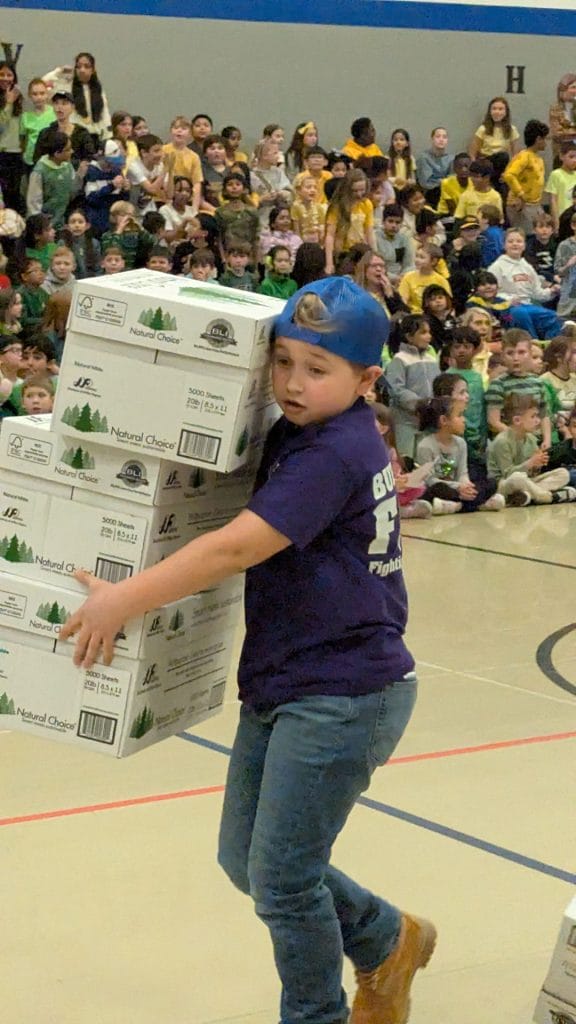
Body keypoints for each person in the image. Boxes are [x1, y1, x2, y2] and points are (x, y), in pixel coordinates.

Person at [61, 274, 436, 1024]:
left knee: (285, 880)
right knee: (251, 865)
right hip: (285, 680)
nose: (292, 383)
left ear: (367, 381)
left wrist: (122, 599)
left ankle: (316, 1015)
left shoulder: (333, 451)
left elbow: (235, 548)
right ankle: (388, 938)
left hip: (344, 693)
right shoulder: (302, 431)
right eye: (283, 362)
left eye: (316, 370)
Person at [416, 396, 502, 512]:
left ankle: (455, 506)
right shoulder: (425, 445)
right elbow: (429, 480)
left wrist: (466, 486)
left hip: (458, 490)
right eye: (460, 415)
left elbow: (463, 473)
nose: (464, 420)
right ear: (444, 420)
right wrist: (458, 487)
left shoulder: (460, 443)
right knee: (436, 489)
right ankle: (474, 504)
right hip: (445, 489)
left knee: (491, 483)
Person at [487, 393, 573, 504]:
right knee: (518, 478)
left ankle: (527, 496)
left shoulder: (531, 439)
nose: (537, 421)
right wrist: (530, 463)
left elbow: (532, 474)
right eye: (533, 417)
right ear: (517, 420)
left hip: (527, 482)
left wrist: (537, 465)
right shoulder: (502, 441)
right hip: (503, 485)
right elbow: (507, 475)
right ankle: (549, 497)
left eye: (537, 416)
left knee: (563, 473)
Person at [489, 229, 562, 339]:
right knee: (520, 314)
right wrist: (508, 300)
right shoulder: (496, 267)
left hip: (528, 306)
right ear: (504, 245)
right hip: (506, 313)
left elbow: (537, 294)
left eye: (519, 241)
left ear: (524, 246)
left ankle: (548, 346)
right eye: (510, 241)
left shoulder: (527, 267)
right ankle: (532, 344)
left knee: (555, 317)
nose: (515, 244)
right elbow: (490, 294)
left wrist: (552, 291)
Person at [385, 313, 439, 459]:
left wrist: (434, 406)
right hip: (406, 422)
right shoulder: (399, 359)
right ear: (409, 336)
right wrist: (418, 404)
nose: (429, 336)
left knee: (426, 459)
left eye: (429, 332)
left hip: (428, 421)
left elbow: (437, 385)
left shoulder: (431, 358)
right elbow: (395, 388)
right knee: (407, 459)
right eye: (423, 332)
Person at [485, 330, 552, 446]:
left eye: (521, 352)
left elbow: (544, 415)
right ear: (502, 356)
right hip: (509, 444)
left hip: (535, 442)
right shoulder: (498, 384)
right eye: (510, 353)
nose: (516, 358)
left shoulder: (537, 382)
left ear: (530, 354)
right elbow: (493, 421)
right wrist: (519, 437)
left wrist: (547, 440)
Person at [372, 402, 432, 519]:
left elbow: (393, 474)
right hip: (375, 494)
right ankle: (405, 510)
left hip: (386, 489)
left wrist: (401, 480)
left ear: (383, 429)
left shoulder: (388, 451)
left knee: (418, 487)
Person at [42, 53, 111, 144]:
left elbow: (105, 115)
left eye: (86, 66)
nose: (82, 70)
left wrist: (108, 138)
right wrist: (59, 71)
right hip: (74, 138)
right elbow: (42, 85)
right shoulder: (66, 86)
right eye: (79, 66)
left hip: (95, 137)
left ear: (93, 70)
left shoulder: (98, 89)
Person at [26, 132, 86, 229]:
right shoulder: (39, 171)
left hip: (61, 222)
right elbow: (34, 204)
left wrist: (79, 176)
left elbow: (72, 192)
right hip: (44, 225)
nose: (72, 151)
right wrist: (42, 227)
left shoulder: (67, 166)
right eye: (68, 149)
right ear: (57, 153)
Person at [446, 328, 488, 464]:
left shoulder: (477, 376)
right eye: (457, 347)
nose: (461, 350)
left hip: (477, 437)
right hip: (457, 435)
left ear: (475, 350)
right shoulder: (447, 376)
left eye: (467, 346)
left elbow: (480, 407)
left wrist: (483, 434)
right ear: (451, 350)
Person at [502, 120, 549, 235]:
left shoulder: (538, 159)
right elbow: (509, 175)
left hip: (535, 204)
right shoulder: (524, 156)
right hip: (521, 204)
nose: (546, 143)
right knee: (527, 234)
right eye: (545, 139)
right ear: (538, 139)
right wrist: (520, 194)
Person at [324, 169, 375, 275]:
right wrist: (329, 263)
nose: (359, 194)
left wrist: (374, 255)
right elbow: (330, 235)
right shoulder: (338, 206)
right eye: (355, 191)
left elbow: (369, 232)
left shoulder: (366, 204)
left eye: (362, 190)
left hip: (360, 250)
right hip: (343, 252)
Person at [468, 96, 520, 183]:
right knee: (502, 157)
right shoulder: (483, 129)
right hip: (486, 163)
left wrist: (509, 172)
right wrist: (475, 171)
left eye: (500, 109)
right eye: (494, 109)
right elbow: (472, 153)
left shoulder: (512, 130)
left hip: (502, 166)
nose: (497, 112)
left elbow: (516, 156)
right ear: (490, 111)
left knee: (503, 158)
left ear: (506, 112)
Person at [83, 139, 130, 236]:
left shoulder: (116, 171)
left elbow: (122, 201)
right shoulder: (91, 171)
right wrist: (111, 186)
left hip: (113, 222)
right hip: (96, 222)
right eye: (109, 162)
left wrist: (125, 190)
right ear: (100, 156)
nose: (111, 166)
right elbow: (91, 199)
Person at [162, 116, 203, 214]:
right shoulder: (163, 151)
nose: (179, 131)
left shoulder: (194, 156)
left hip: (185, 197)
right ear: (171, 131)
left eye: (184, 129)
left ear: (190, 134)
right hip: (164, 195)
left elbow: (197, 183)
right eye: (176, 128)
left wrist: (195, 208)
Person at [215, 173, 260, 260]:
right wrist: (223, 258)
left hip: (248, 256)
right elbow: (219, 238)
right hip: (229, 255)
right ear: (224, 190)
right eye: (230, 185)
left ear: (244, 189)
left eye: (238, 184)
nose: (234, 187)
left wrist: (256, 259)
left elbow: (256, 238)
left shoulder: (252, 211)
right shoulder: (220, 213)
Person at [251, 139, 293, 229]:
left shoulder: (278, 172)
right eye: (275, 153)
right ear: (264, 156)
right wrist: (262, 199)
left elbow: (289, 190)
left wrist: (283, 193)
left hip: (279, 217)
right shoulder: (252, 176)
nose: (278, 157)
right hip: (262, 218)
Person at [398, 243, 451, 314]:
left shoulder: (441, 280)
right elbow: (403, 301)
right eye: (416, 256)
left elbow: (448, 304)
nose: (417, 260)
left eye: (422, 257)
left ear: (433, 261)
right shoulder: (408, 277)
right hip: (414, 316)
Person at [101, 200, 155, 269]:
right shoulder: (107, 235)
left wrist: (141, 229)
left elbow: (152, 242)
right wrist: (119, 231)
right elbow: (111, 250)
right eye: (123, 215)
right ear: (114, 217)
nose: (127, 218)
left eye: (130, 215)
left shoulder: (136, 234)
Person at [0, 61, 24, 212]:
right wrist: (8, 104)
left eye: (9, 75)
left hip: (15, 154)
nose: (5, 78)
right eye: (2, 74)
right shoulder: (9, 101)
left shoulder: (18, 98)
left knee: (13, 195)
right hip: (1, 153)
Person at [20, 78, 54, 176]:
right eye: (35, 94)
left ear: (47, 94)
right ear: (30, 96)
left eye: (42, 93)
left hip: (49, 160)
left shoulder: (54, 112)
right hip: (30, 161)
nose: (39, 97)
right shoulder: (25, 117)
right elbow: (22, 140)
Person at [127, 133, 166, 219]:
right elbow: (151, 190)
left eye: (161, 150)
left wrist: (169, 170)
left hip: (149, 209)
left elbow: (169, 194)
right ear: (144, 153)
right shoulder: (133, 166)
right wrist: (166, 170)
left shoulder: (160, 165)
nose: (161, 155)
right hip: (131, 212)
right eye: (156, 151)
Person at [374, 204, 414, 284]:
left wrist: (403, 277)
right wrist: (394, 278)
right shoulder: (375, 237)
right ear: (383, 221)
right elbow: (374, 266)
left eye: (397, 222)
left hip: (402, 279)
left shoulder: (405, 237)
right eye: (390, 221)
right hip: (380, 277)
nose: (394, 226)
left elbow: (409, 264)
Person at [415, 128, 453, 208]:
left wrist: (441, 182)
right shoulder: (423, 158)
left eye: (444, 137)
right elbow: (425, 183)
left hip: (446, 193)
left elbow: (452, 180)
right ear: (432, 139)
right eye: (438, 136)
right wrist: (443, 181)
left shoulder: (451, 159)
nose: (441, 140)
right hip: (428, 194)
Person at [545, 141, 576, 231]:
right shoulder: (556, 174)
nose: (574, 160)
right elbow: (553, 200)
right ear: (561, 156)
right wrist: (556, 222)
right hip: (563, 218)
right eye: (571, 157)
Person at [290, 175, 326, 245]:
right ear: (298, 190)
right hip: (302, 240)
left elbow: (322, 226)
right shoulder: (295, 206)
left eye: (315, 187)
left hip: (317, 241)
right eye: (308, 187)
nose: (312, 190)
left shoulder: (319, 207)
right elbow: (296, 230)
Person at [422, 284, 455, 353]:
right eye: (433, 299)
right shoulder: (425, 321)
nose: (438, 301)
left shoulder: (449, 318)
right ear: (427, 303)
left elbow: (452, 337)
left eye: (440, 297)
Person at [18, 256, 48, 334]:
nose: (41, 273)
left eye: (42, 270)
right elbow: (23, 320)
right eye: (35, 271)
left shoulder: (43, 292)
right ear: (24, 276)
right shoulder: (20, 294)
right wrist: (44, 320)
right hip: (27, 331)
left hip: (42, 326)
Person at [549, 75, 576, 160]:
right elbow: (558, 133)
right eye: (573, 87)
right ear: (563, 90)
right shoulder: (555, 108)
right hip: (561, 152)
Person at [436, 153, 470, 218]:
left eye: (466, 166)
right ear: (454, 168)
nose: (464, 170)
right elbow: (453, 210)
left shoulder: (474, 183)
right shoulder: (446, 183)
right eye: (460, 167)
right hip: (447, 215)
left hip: (468, 216)